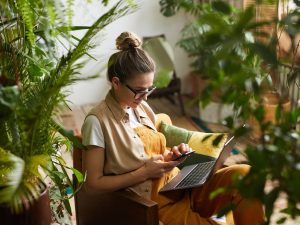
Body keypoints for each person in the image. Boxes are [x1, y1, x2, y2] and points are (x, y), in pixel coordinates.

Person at [81, 31, 264, 225]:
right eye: (139, 91)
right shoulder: (97, 122)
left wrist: (172, 157)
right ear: (116, 83)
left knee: (246, 175)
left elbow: (151, 152)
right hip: (156, 204)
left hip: (179, 186)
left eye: (149, 89)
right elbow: (92, 185)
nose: (145, 97)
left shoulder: (141, 107)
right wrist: (144, 173)